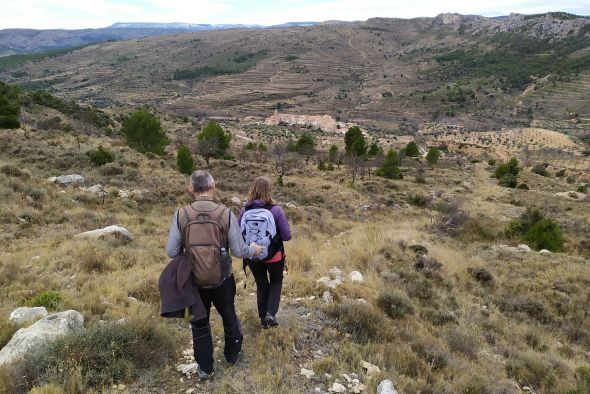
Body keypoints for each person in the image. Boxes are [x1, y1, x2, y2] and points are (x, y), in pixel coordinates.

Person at [165, 170, 262, 380]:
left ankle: (205, 368)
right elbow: (238, 250)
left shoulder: (181, 215)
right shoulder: (225, 213)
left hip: (194, 283)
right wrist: (253, 250)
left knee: (199, 323)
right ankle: (232, 355)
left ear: (191, 188)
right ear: (213, 186)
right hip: (222, 280)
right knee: (229, 316)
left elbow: (171, 251)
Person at [239, 176, 291, 329]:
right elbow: (287, 236)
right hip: (274, 256)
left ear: (252, 190)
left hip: (253, 256)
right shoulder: (276, 210)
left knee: (262, 284)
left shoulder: (244, 210)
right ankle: (271, 314)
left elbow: (237, 232)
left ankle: (263, 319)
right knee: (276, 281)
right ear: (268, 191)